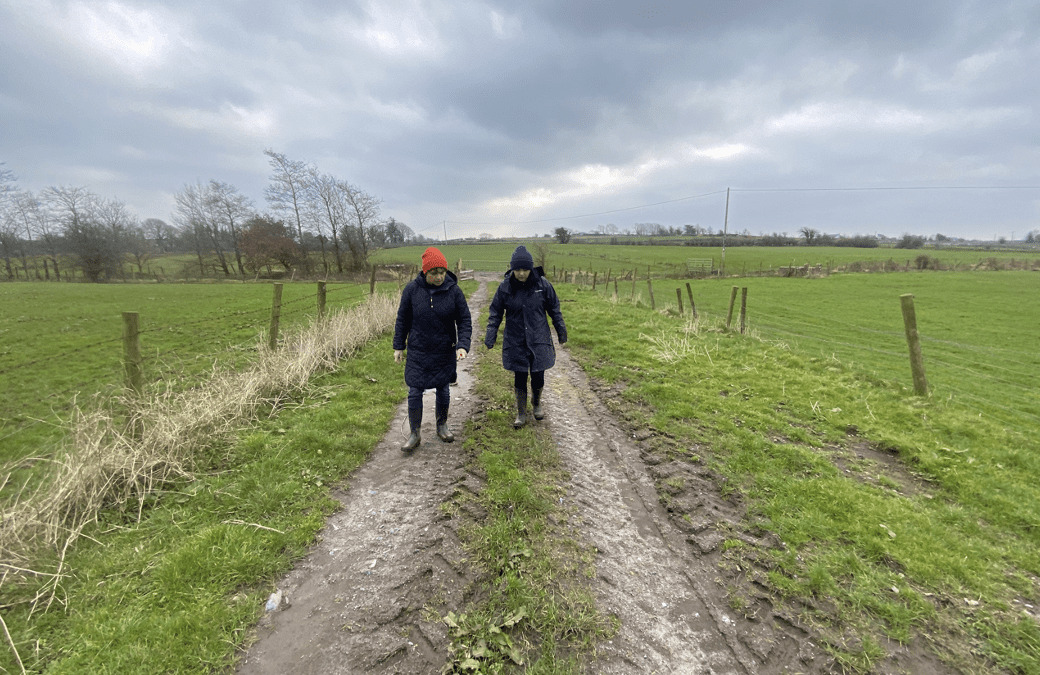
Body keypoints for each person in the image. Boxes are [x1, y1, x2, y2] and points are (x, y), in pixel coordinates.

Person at [393, 247, 472, 452]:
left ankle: (442, 426)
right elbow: (403, 319)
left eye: (442, 272)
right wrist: (398, 346)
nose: (439, 277)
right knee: (415, 390)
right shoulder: (411, 290)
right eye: (434, 273)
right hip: (418, 350)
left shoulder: (454, 291)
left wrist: (463, 345)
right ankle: (414, 433)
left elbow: (464, 320)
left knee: (443, 388)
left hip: (444, 349)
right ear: (425, 272)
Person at [484, 244, 567, 428]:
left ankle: (536, 403)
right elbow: (495, 313)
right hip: (516, 338)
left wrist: (561, 331)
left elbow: (554, 309)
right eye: (517, 270)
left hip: (539, 337)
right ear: (512, 269)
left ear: (530, 268)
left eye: (525, 269)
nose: (521, 273)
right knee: (520, 375)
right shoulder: (505, 287)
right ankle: (521, 412)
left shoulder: (543, 285)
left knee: (538, 375)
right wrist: (491, 336)